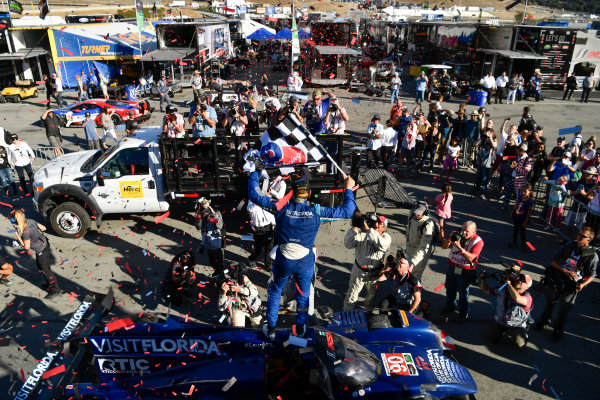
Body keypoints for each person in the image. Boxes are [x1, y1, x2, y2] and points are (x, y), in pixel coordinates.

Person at [248, 172, 356, 339]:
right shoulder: (317, 211)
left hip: (284, 260)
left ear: (292, 192)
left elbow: (254, 196)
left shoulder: (280, 207)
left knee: (275, 291)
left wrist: (254, 172)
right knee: (304, 296)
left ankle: (270, 329)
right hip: (304, 262)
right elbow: (347, 211)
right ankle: (300, 329)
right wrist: (348, 188)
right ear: (310, 194)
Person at [534, 227, 598, 341]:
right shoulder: (569, 245)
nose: (579, 237)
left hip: (571, 286)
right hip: (557, 279)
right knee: (550, 302)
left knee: (564, 309)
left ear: (590, 239)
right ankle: (543, 321)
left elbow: (592, 275)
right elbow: (553, 261)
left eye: (583, 236)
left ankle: (558, 330)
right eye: (579, 234)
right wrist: (564, 271)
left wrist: (583, 284)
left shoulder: (592, 255)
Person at [343, 213, 392, 311]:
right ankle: (347, 314)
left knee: (371, 296)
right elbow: (348, 244)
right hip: (359, 270)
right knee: (352, 295)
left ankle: (368, 314)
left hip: (374, 272)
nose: (376, 224)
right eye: (376, 222)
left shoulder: (386, 238)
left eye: (379, 223)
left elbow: (382, 245)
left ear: (384, 228)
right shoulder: (363, 233)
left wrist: (370, 231)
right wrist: (354, 229)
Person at [10, 210, 62, 299]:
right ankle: (48, 283)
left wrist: (17, 235)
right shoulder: (30, 220)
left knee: (46, 270)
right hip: (45, 244)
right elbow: (43, 228)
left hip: (41, 250)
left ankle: (56, 290)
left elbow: (26, 247)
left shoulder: (26, 232)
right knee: (40, 266)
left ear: (16, 221)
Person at [441, 221, 484, 322]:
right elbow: (443, 246)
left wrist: (459, 247)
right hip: (452, 266)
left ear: (474, 232)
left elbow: (472, 258)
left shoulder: (478, 241)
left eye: (467, 231)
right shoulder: (457, 234)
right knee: (450, 288)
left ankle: (463, 314)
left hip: (465, 271)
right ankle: (450, 306)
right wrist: (450, 240)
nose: (463, 233)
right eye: (463, 229)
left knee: (463, 293)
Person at [480, 268, 533, 348]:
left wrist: (509, 284)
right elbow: (485, 289)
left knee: (520, 343)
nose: (520, 282)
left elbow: (517, 299)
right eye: (520, 279)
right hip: (501, 321)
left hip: (516, 325)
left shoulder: (528, 297)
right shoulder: (504, 290)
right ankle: (504, 330)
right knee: (490, 338)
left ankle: (523, 334)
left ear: (527, 287)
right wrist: (483, 279)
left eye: (523, 282)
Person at [195, 197, 225, 278]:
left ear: (209, 203)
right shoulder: (201, 213)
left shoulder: (216, 212)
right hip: (207, 242)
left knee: (219, 262)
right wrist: (198, 218)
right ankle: (216, 273)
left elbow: (220, 225)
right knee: (212, 262)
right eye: (202, 204)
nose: (204, 206)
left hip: (216, 242)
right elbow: (198, 227)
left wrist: (214, 216)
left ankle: (221, 277)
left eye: (206, 203)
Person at [405, 203, 435, 281]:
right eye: (415, 212)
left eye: (419, 213)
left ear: (425, 213)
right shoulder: (412, 216)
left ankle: (415, 292)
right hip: (410, 248)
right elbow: (408, 229)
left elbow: (424, 247)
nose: (416, 214)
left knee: (415, 277)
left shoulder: (428, 224)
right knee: (406, 274)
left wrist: (414, 262)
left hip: (420, 254)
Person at [473, 128, 497, 197]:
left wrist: (490, 138)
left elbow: (494, 145)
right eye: (486, 133)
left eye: (489, 133)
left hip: (487, 162)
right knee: (479, 176)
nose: (487, 135)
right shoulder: (483, 140)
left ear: (492, 134)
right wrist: (481, 138)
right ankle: (477, 188)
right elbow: (475, 144)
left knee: (485, 177)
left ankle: (484, 191)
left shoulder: (493, 140)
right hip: (481, 161)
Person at [509, 184, 534, 251]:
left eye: (525, 191)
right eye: (522, 191)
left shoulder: (530, 201)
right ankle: (514, 242)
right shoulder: (520, 198)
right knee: (515, 230)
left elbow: (529, 213)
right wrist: (512, 213)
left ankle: (523, 245)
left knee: (522, 232)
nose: (523, 193)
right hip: (517, 217)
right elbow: (516, 206)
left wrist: (525, 222)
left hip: (523, 219)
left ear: (530, 192)